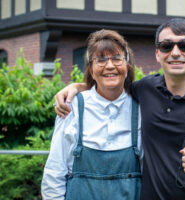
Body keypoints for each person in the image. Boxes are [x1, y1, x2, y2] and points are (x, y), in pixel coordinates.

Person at [54, 18, 185, 200]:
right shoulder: (145, 89)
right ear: (157, 54)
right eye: (167, 46)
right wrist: (76, 88)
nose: (176, 53)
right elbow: (110, 83)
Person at [41, 29, 142, 200]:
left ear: (127, 66)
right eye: (101, 60)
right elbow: (55, 171)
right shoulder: (72, 107)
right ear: (91, 69)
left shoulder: (142, 107)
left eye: (117, 58)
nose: (110, 66)